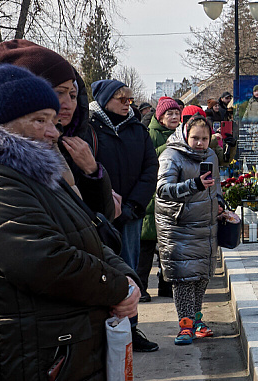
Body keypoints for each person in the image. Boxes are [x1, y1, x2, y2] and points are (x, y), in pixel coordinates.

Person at [0, 65, 140, 380]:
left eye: (53, 121)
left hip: (66, 350)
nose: (53, 132)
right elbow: (44, 261)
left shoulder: (38, 176)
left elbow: (91, 233)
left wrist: (128, 281)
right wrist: (118, 288)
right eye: (40, 121)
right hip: (34, 358)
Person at [0, 39, 117, 219]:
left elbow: (103, 218)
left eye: (72, 95)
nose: (68, 104)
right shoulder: (0, 163)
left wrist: (93, 173)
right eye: (58, 92)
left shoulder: (76, 140)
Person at [87, 78, 160, 352]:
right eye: (122, 99)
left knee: (128, 271)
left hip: (131, 215)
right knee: (100, 271)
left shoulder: (137, 130)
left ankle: (130, 329)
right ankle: (103, 332)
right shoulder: (90, 129)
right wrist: (103, 205)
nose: (128, 104)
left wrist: (134, 206)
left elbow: (149, 168)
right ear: (106, 99)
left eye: (130, 100)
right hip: (97, 215)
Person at [155, 114, 223, 345]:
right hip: (179, 225)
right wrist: (193, 185)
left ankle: (195, 320)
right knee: (184, 278)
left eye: (205, 138)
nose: (200, 143)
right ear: (185, 134)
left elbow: (217, 186)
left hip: (205, 225)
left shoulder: (211, 155)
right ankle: (185, 325)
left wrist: (221, 205)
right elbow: (163, 190)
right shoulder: (171, 155)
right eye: (195, 138)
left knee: (200, 276)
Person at [138, 96, 183, 302]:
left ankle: (166, 287)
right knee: (145, 249)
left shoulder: (182, 133)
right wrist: (169, 146)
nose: (174, 117)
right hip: (152, 199)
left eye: (176, 113)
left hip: (173, 197)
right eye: (169, 114)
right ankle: (141, 288)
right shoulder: (149, 133)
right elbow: (148, 158)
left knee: (168, 248)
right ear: (160, 116)